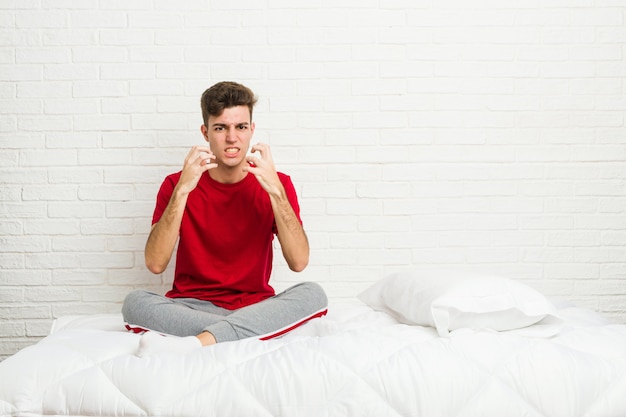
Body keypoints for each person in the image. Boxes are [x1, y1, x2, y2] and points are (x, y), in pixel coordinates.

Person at [122, 81, 328, 357]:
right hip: (190, 307)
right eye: (221, 128)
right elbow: (155, 263)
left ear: (251, 130)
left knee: (313, 294)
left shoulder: (278, 184)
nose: (232, 138)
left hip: (255, 306)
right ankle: (245, 332)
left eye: (240, 127)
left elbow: (299, 262)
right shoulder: (176, 184)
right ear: (206, 132)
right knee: (135, 303)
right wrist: (184, 189)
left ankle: (199, 342)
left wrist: (276, 194)